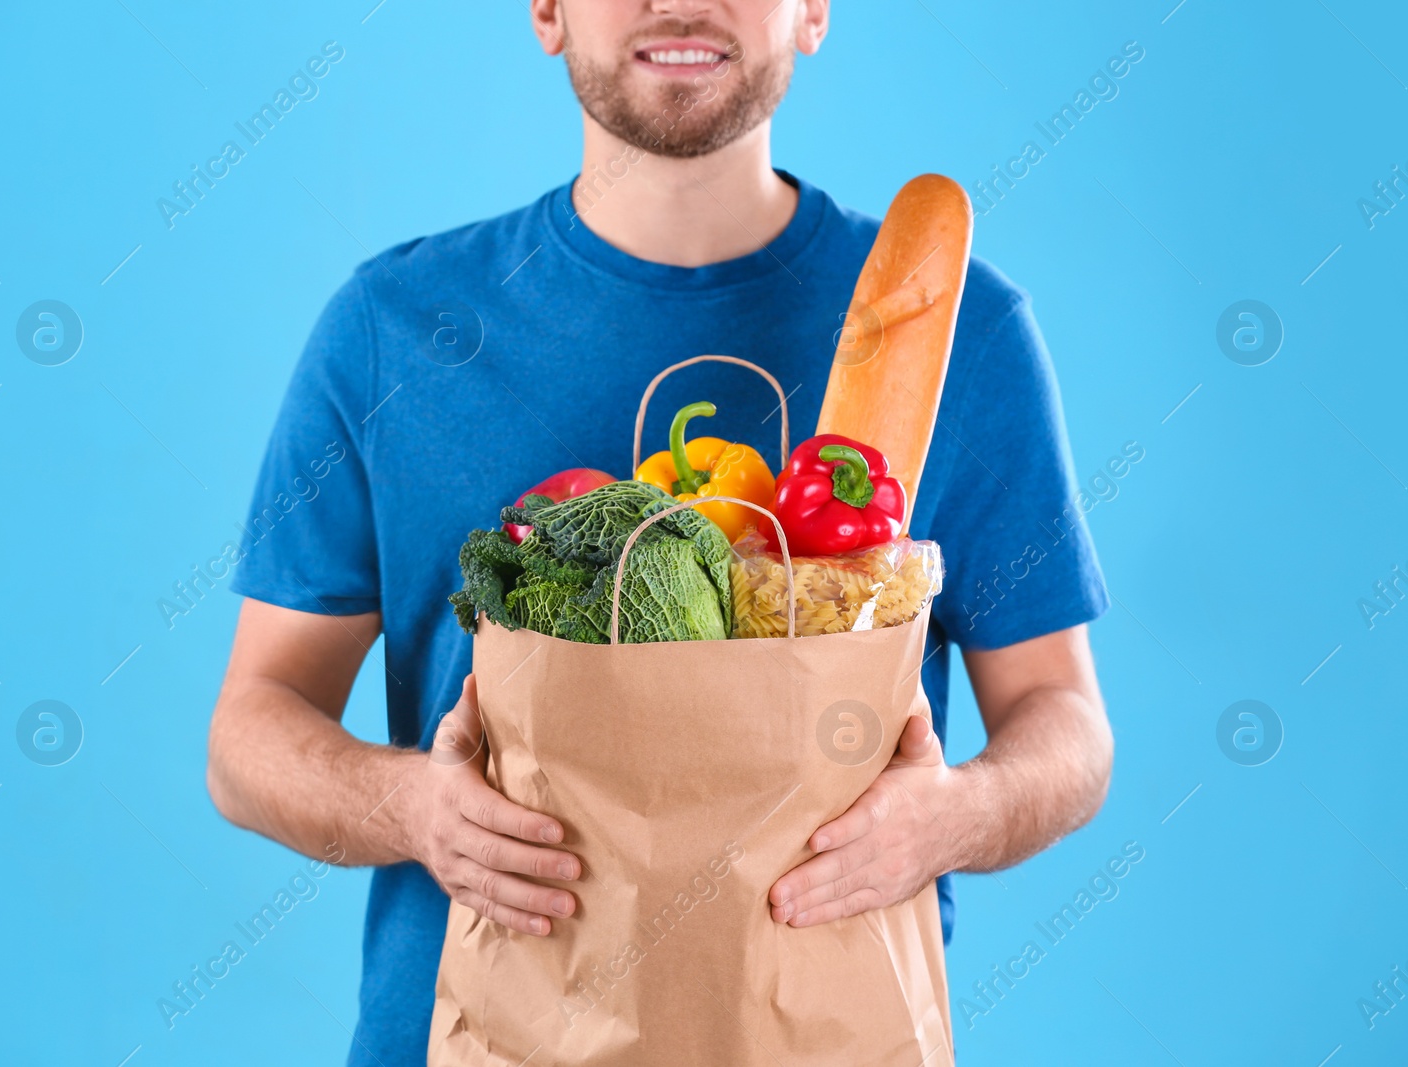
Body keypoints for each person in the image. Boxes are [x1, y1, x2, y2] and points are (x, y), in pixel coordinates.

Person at [206, 0, 1114, 1062]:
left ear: (813, 10)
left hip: (820, 1028)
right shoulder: (393, 326)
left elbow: (1065, 721)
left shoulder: (957, 329)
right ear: (546, 11)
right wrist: (414, 809)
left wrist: (957, 814)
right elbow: (248, 733)